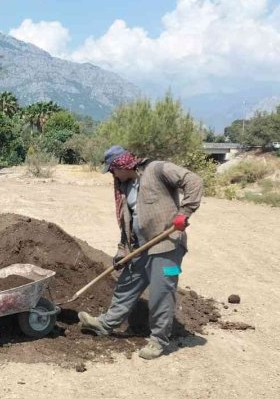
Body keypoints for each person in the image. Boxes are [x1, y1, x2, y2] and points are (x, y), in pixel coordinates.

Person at [79, 145, 203, 359]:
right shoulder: (125, 188)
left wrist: (185, 212)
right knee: (127, 283)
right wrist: (122, 251)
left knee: (162, 292)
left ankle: (158, 340)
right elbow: (127, 225)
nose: (112, 174)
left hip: (168, 246)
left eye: (112, 169)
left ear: (121, 164)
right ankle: (105, 324)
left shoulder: (157, 170)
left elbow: (194, 180)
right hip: (141, 248)